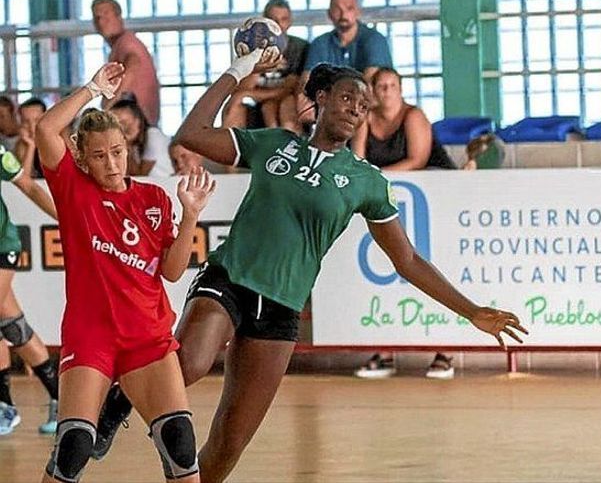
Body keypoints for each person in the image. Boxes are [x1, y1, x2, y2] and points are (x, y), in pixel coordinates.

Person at [92, 53, 527, 482]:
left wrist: (472, 311)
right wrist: (236, 73)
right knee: (189, 363)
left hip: (282, 307)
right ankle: (116, 405)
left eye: (363, 105)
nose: (356, 110)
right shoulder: (274, 143)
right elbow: (192, 133)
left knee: (230, 440)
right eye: (346, 99)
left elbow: (407, 259)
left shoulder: (367, 181)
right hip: (229, 279)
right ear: (320, 98)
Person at [35, 62, 215, 483]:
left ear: (127, 147)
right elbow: (46, 129)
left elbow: (172, 272)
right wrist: (92, 89)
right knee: (75, 446)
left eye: (117, 152)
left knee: (180, 444)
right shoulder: (73, 189)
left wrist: (190, 214)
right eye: (99, 156)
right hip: (91, 335)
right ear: (81, 156)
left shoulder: (153, 197)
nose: (112, 164)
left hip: (147, 338)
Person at [350, 67, 455, 379]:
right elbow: (357, 159)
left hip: (435, 200)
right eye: (380, 86)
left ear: (400, 89)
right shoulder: (365, 118)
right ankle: (384, 352)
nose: (385, 91)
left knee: (431, 272)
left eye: (391, 85)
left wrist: (377, 178)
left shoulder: (414, 116)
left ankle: (445, 350)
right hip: (387, 201)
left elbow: (418, 161)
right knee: (387, 274)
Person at [0, 142, 59, 435]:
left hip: (2, 247)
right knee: (12, 325)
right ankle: (61, 396)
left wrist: (67, 219)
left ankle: (5, 407)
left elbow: (28, 185)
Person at [222, 0, 309, 131]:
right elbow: (240, 90)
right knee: (233, 106)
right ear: (265, 21)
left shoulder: (299, 48)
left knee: (285, 106)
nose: (278, 25)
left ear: (290, 21)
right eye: (273, 20)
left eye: (283, 19)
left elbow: (292, 88)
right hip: (254, 104)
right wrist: (259, 64)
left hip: (284, 102)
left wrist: (250, 93)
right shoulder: (249, 47)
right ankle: (228, 148)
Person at [92, 0, 161, 125]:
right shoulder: (122, 43)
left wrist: (107, 106)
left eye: (106, 15)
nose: (101, 22)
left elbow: (133, 64)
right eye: (97, 18)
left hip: (138, 124)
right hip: (138, 123)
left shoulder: (127, 42)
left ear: (119, 17)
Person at [302, 0, 392, 83]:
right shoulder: (320, 43)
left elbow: (369, 85)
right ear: (329, 13)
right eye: (337, 9)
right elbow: (305, 84)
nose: (343, 14)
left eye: (349, 8)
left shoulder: (375, 40)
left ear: (358, 12)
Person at [109, 98, 173, 177]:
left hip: (165, 182)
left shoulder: (153, 135)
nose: (121, 128)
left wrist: (126, 146)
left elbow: (141, 175)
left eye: (124, 122)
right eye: (115, 124)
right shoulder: (134, 143)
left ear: (137, 121)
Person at [15, 97, 48, 178]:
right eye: (26, 121)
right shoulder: (22, 144)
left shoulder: (58, 140)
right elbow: (25, 180)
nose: (32, 127)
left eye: (37, 120)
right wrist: (31, 146)